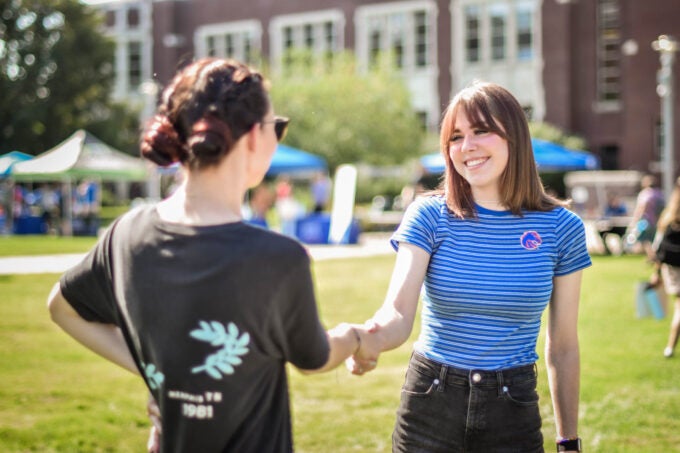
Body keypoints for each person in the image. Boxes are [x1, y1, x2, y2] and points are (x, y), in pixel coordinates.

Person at [47, 58, 370, 452]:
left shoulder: (126, 234)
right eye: (277, 127)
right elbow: (313, 358)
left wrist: (165, 377)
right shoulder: (277, 258)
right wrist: (354, 337)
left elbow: (61, 308)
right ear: (253, 137)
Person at [348, 81, 591, 452]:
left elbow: (563, 347)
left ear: (515, 137)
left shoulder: (561, 227)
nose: (467, 147)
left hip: (513, 409)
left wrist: (568, 441)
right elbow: (397, 313)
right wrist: (368, 340)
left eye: (481, 131)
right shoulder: (428, 216)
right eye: (456, 137)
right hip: (430, 402)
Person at [651, 177, 680, 358]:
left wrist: (656, 273)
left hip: (671, 270)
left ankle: (670, 347)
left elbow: (657, 248)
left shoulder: (668, 215)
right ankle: (670, 347)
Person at [628, 174, 664, 260]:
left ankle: (652, 257)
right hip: (657, 221)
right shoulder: (659, 193)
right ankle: (652, 257)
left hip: (645, 221)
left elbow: (641, 208)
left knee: (643, 239)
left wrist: (634, 221)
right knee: (654, 240)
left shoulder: (645, 194)